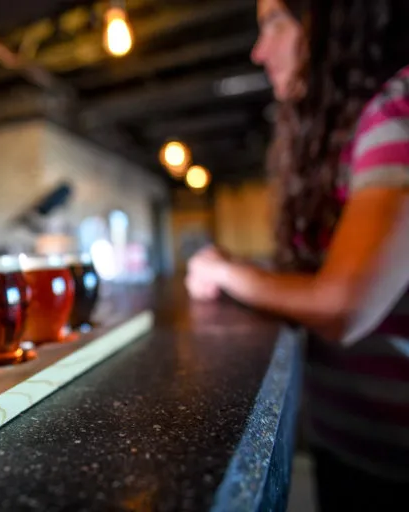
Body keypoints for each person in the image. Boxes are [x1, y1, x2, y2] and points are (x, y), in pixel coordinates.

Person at [186, 0, 409, 510]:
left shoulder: (402, 102)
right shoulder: (357, 125)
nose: (258, 51)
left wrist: (226, 270)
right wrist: (246, 269)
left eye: (274, 22)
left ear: (335, 18)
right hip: (350, 445)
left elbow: (342, 305)